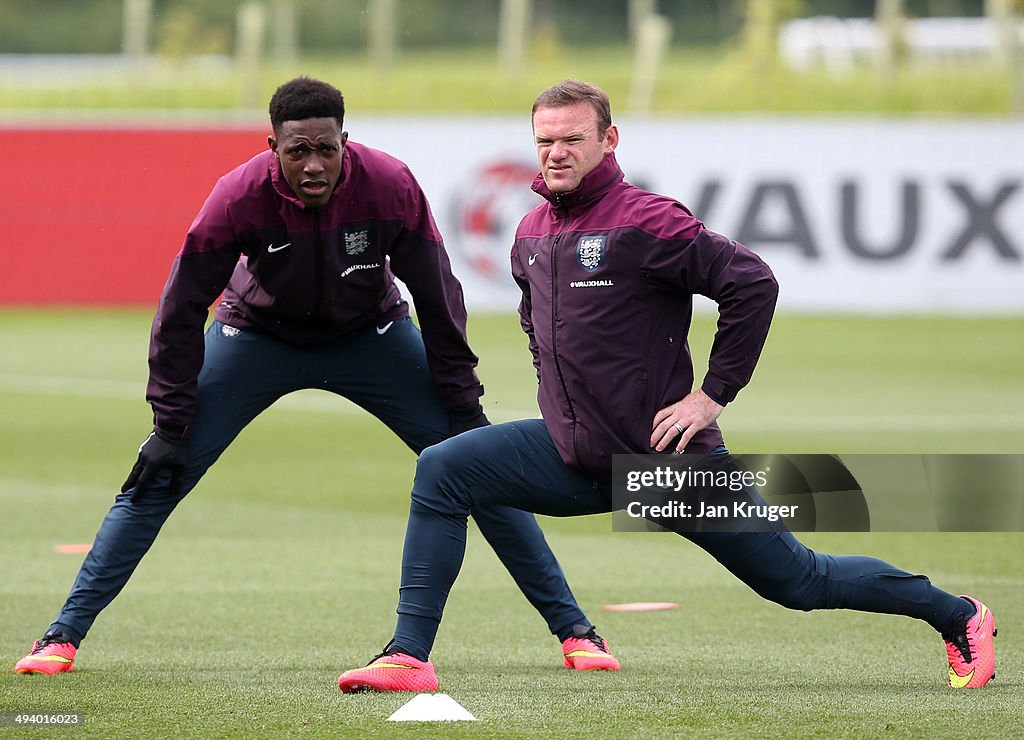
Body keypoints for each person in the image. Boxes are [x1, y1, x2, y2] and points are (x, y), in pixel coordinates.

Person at [336, 79, 996, 693]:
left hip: (664, 465)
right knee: (445, 468)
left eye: (572, 138)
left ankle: (959, 614)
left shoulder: (648, 221)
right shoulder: (532, 231)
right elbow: (537, 323)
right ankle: (410, 656)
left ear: (608, 140)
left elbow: (752, 283)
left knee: (799, 581)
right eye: (544, 140)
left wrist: (711, 396)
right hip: (572, 456)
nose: (556, 152)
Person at [14, 77, 620, 677]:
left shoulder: (388, 185)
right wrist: (170, 423)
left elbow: (438, 294)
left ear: (344, 143)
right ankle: (60, 638)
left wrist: (461, 403)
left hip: (372, 338)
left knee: (474, 465)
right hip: (255, 338)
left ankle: (576, 634)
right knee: (158, 473)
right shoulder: (238, 195)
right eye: (296, 150)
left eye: (325, 149)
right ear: (272, 147)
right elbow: (178, 309)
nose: (312, 165)